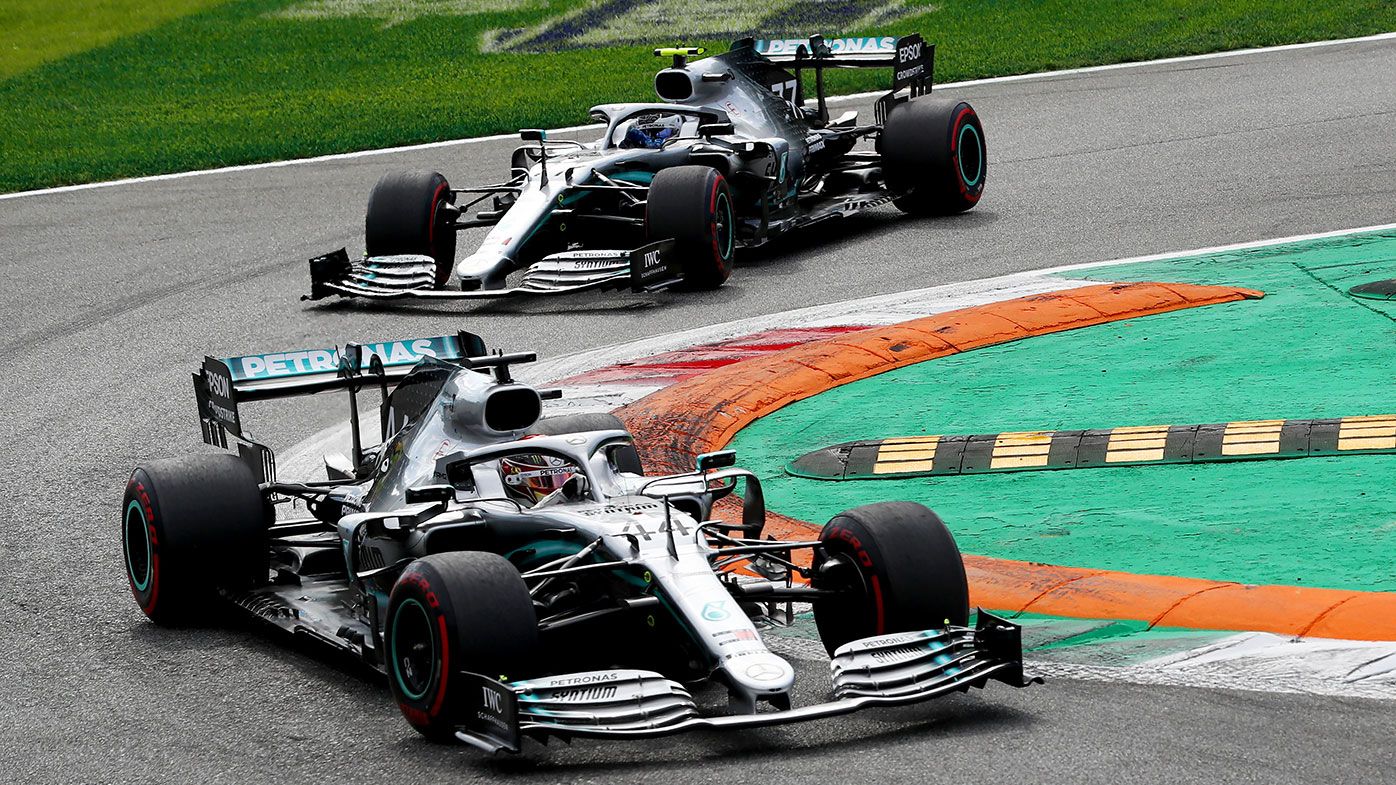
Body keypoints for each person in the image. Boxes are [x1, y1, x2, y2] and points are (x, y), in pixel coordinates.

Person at [618, 112, 687, 149]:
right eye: (649, 132)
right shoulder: (638, 139)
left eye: (660, 131)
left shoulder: (683, 146)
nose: (654, 137)